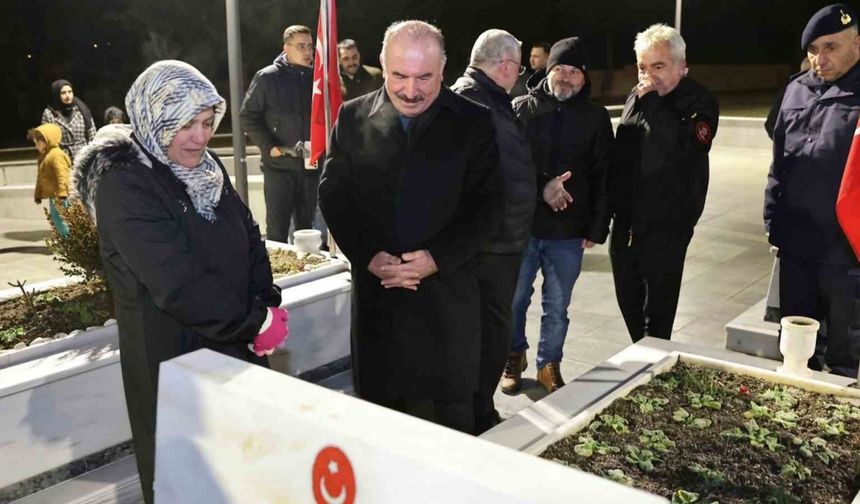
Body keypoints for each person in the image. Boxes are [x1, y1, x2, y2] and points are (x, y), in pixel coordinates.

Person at [73, 61, 288, 504]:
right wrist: (254, 322)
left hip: (234, 347)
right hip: (174, 361)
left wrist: (266, 303)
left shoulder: (206, 169)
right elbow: (176, 284)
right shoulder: (124, 183)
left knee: (245, 478)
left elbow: (248, 236)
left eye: (208, 122)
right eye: (185, 123)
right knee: (190, 484)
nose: (201, 136)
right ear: (155, 119)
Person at [319, 20, 505, 434]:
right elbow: (334, 196)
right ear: (382, 67)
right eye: (399, 76)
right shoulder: (351, 117)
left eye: (425, 78)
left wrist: (437, 259)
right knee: (382, 437)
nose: (410, 90)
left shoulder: (473, 121)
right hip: (379, 313)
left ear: (443, 71)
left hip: (446, 311)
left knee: (450, 438)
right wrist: (367, 256)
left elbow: (489, 206)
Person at [503, 37, 613, 394]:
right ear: (547, 71)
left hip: (569, 230)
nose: (566, 78)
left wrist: (598, 225)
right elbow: (507, 167)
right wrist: (542, 187)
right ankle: (514, 354)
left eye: (574, 72)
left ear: (584, 78)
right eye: (559, 70)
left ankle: (549, 364)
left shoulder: (596, 118)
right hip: (523, 227)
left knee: (558, 304)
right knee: (515, 298)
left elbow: (604, 175)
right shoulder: (521, 108)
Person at [765, 3, 860, 378]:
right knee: (795, 347)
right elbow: (780, 160)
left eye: (831, 47)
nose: (820, 58)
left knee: (844, 353)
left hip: (845, 251)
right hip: (796, 246)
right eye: (813, 49)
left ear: (857, 43)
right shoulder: (796, 89)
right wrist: (772, 219)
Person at [609, 24, 719, 343]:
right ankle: (642, 352)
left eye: (658, 66)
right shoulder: (637, 95)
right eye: (643, 67)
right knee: (628, 298)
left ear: (681, 67)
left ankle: (652, 364)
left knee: (657, 311)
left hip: (668, 225)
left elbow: (682, 147)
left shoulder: (700, 102)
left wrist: (654, 103)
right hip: (627, 221)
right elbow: (622, 152)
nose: (649, 75)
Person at [450, 29, 535, 432]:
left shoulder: (489, 98)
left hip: (500, 240)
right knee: (487, 337)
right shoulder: (472, 100)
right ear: (504, 65)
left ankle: (478, 409)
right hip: (489, 246)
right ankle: (476, 414)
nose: (519, 75)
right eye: (517, 67)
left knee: (490, 333)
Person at [241, 25, 315, 243]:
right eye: (301, 46)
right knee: (277, 231)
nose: (307, 51)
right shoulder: (267, 78)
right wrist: (269, 146)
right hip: (279, 167)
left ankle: (311, 275)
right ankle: (276, 277)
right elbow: (248, 115)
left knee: (308, 230)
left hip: (311, 168)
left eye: (310, 46)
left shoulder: (316, 80)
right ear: (286, 48)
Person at [29, 124, 71, 236]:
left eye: (38, 143)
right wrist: (37, 195)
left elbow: (62, 174)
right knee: (57, 220)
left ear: (47, 140)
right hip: (54, 195)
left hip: (61, 196)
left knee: (63, 220)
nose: (36, 146)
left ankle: (70, 242)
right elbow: (40, 178)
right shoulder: (45, 157)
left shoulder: (56, 155)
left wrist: (63, 192)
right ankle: (67, 242)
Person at [40, 79, 96, 162]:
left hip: (83, 157)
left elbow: (92, 134)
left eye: (70, 92)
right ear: (56, 94)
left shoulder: (82, 110)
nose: (67, 96)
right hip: (61, 158)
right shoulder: (49, 113)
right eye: (63, 93)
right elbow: (46, 140)